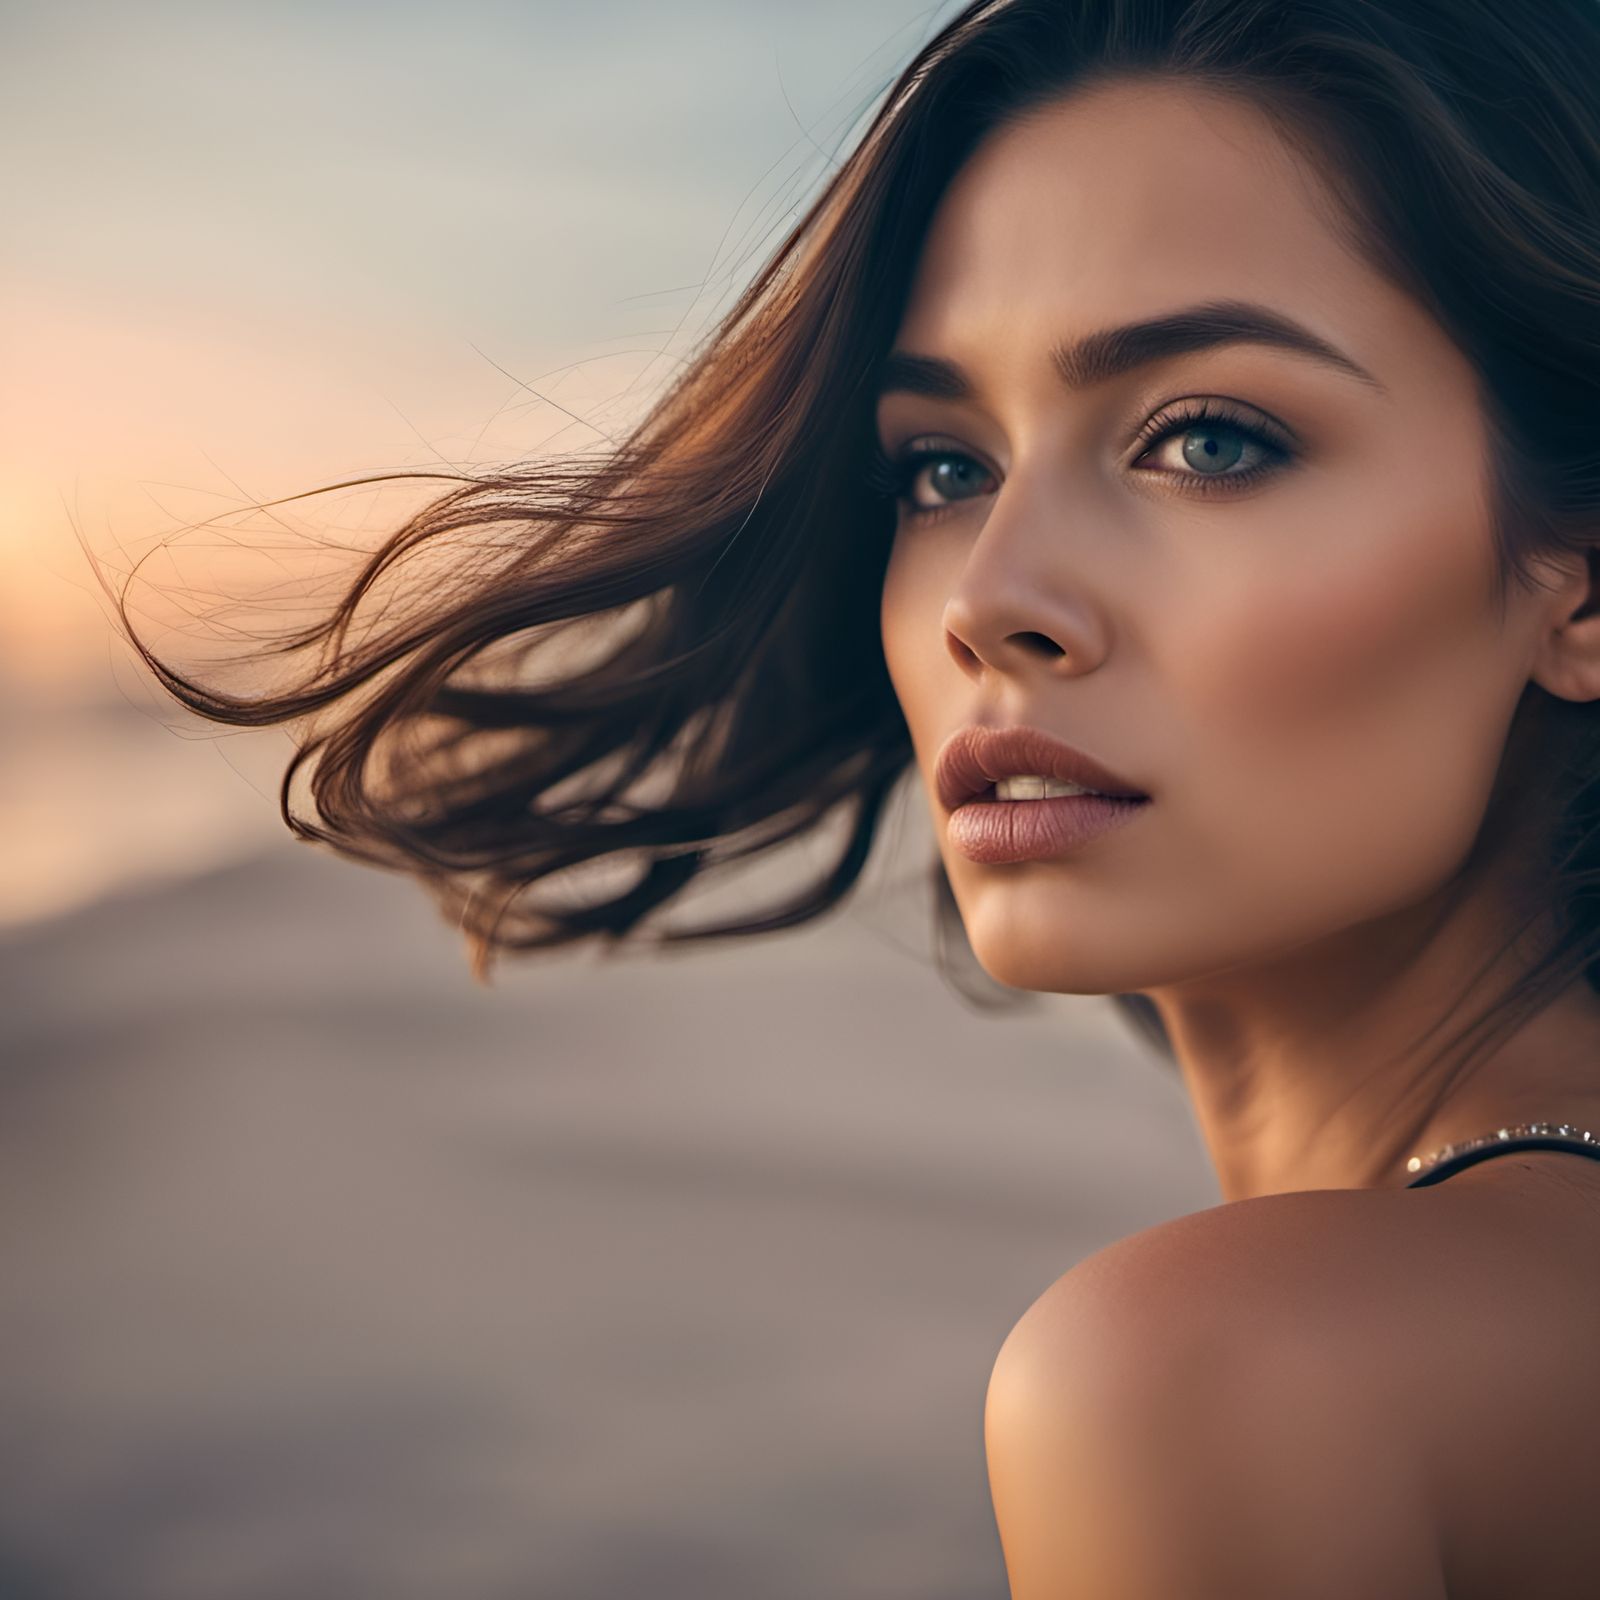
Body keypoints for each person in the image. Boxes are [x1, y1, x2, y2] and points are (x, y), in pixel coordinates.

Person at [108, 1, 1600, 1592]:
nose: (991, 595)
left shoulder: (1208, 1381)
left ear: (1572, 585)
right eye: (942, 469)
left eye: (1208, 440)